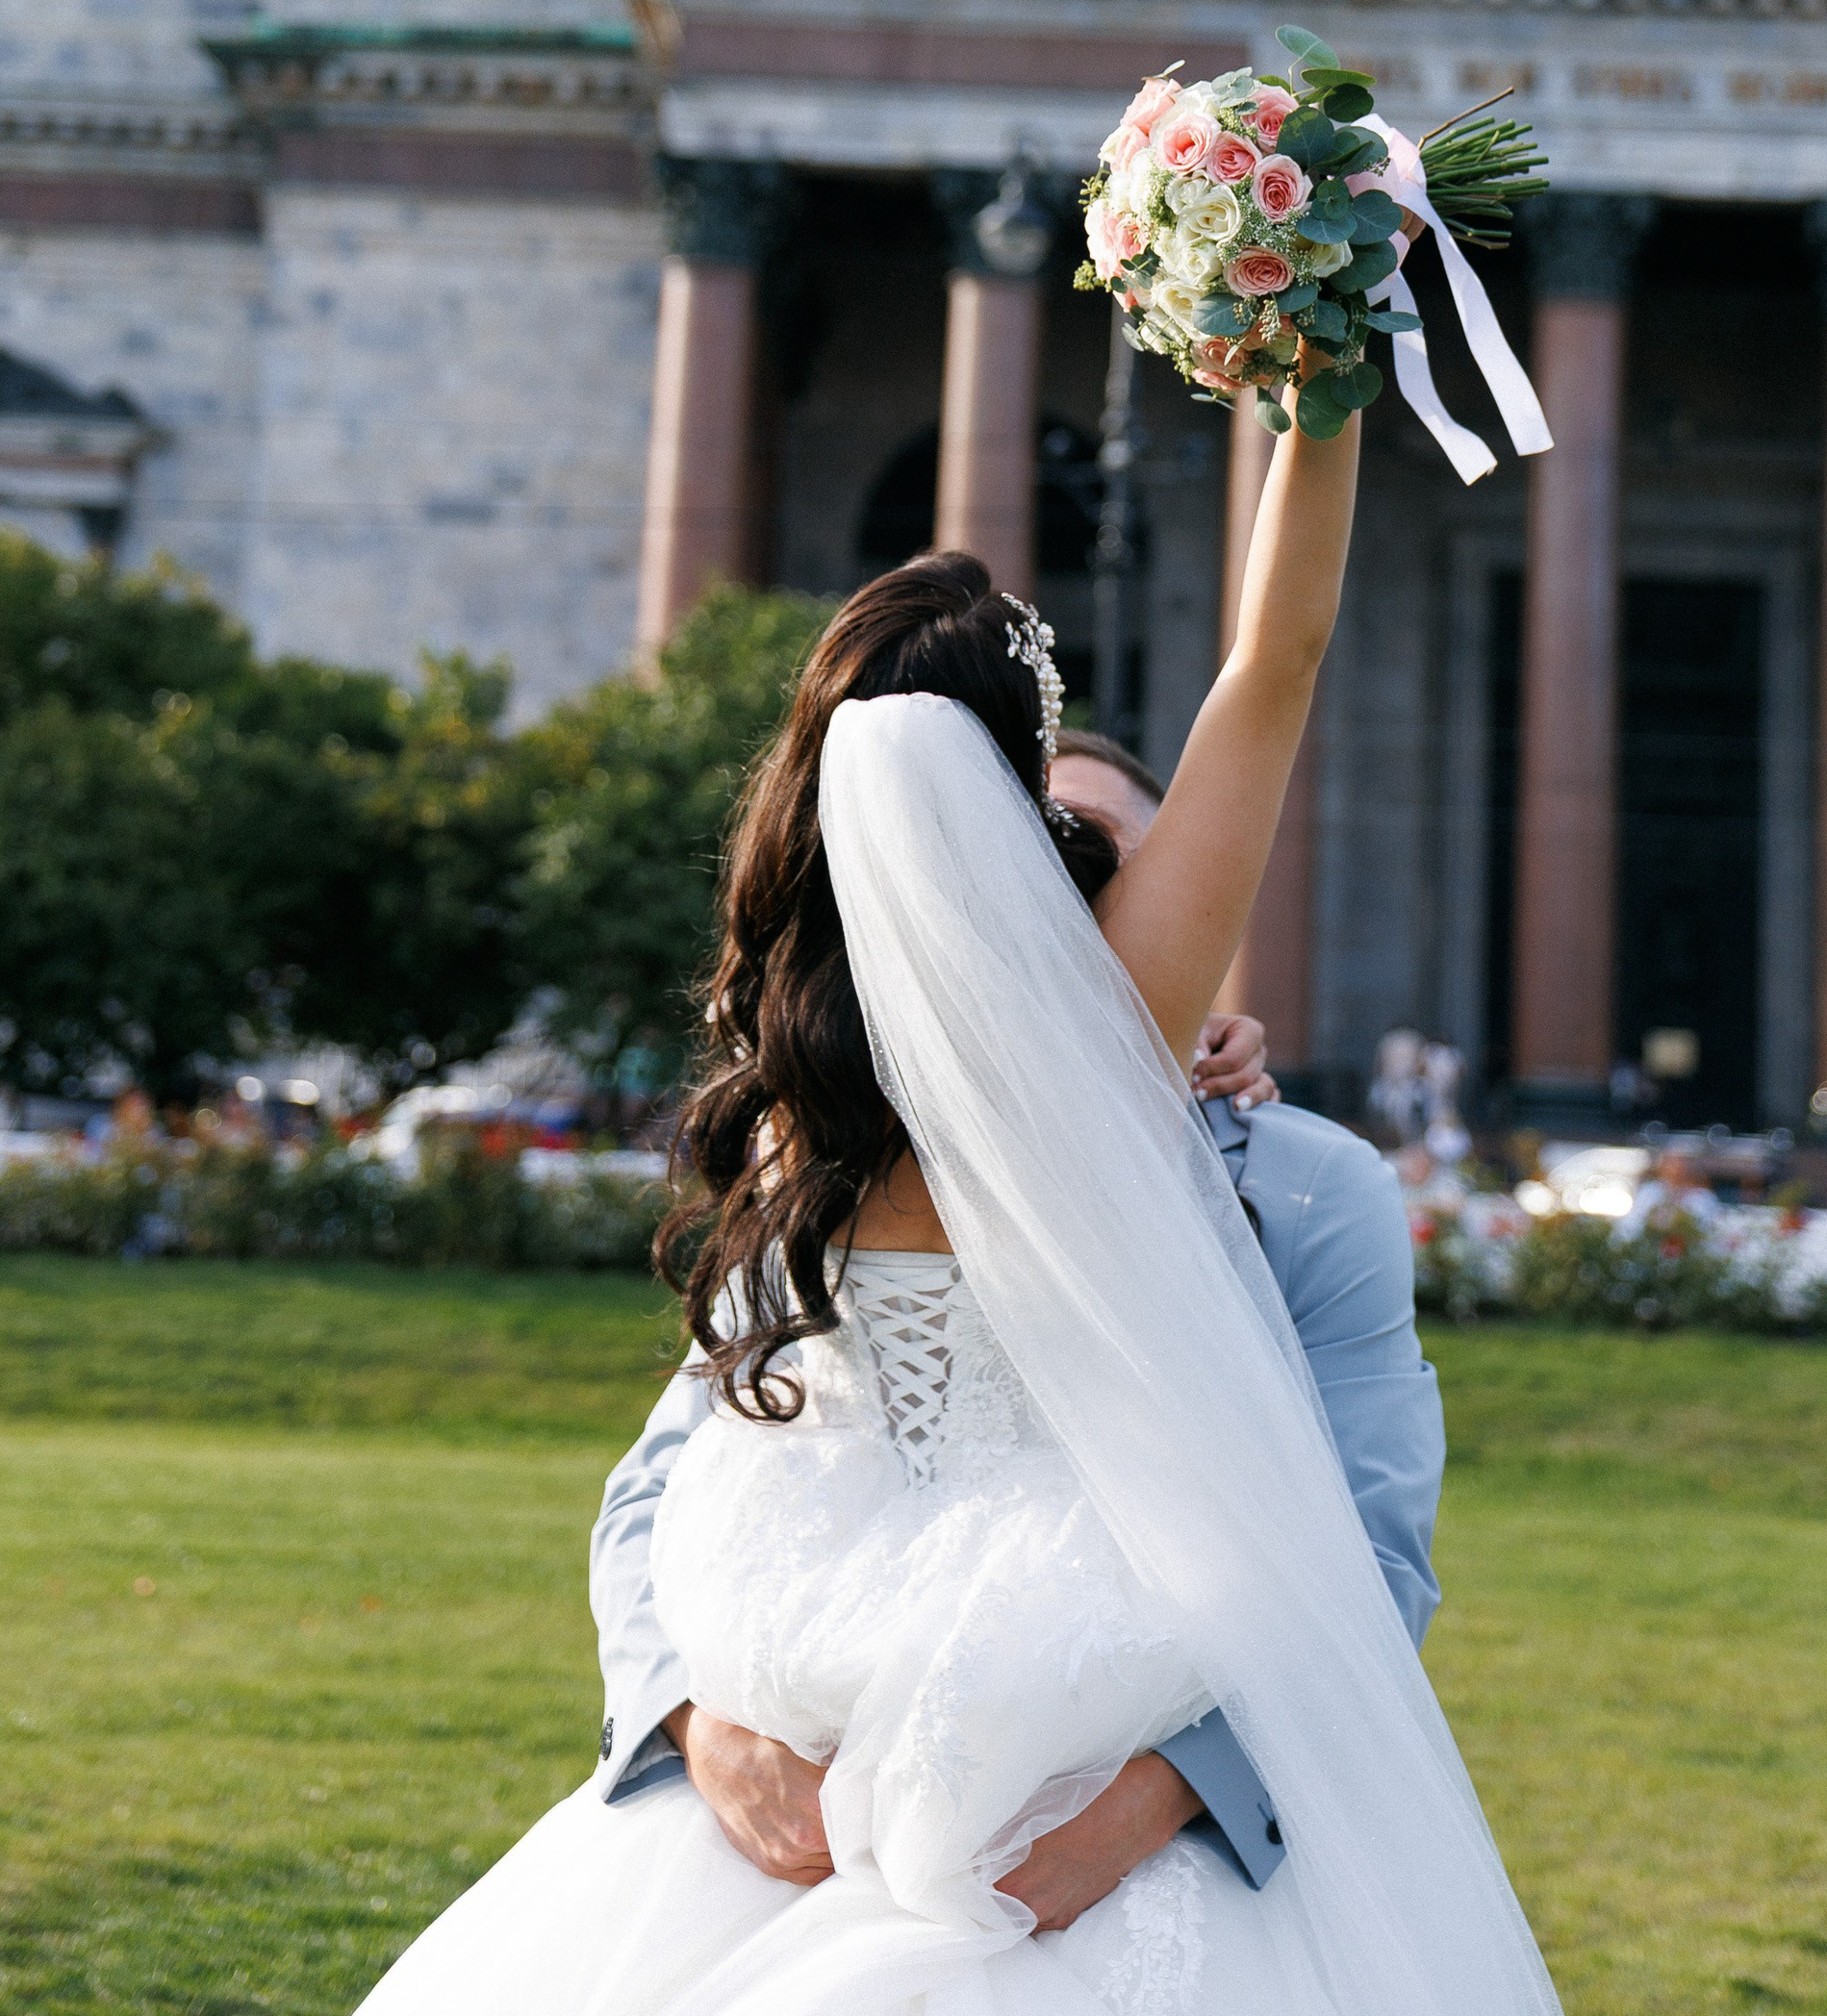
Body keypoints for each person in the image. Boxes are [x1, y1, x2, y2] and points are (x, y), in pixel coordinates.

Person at [356, 409, 1558, 2015]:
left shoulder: (799, 1107)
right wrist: (1316, 384)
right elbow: (1277, 657)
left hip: (807, 1631)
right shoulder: (1116, 1041)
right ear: (1023, 795)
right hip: (1052, 1657)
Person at [589, 722, 1447, 1931]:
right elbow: (663, 1481)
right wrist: (697, 1726)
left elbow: (1373, 1554)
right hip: (786, 1833)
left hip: (1139, 1863)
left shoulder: (1304, 1190)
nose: (1044, 898)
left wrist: (1153, 1805)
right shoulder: (829, 1167)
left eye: (1099, 865)